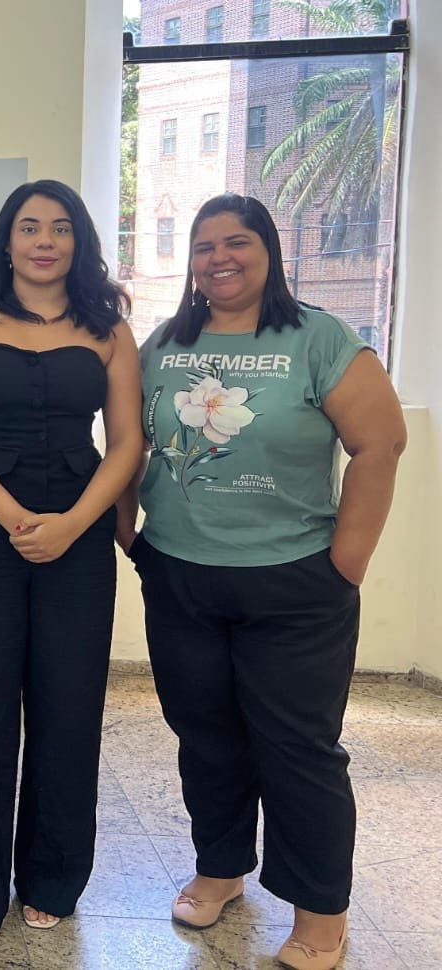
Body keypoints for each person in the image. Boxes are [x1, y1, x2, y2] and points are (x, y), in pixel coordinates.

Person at [119, 194, 405, 970]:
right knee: (206, 737)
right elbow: (127, 440)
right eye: (205, 246)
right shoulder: (166, 343)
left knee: (298, 749)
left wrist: (347, 560)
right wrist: (129, 530)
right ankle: (221, 870)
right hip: (181, 576)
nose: (220, 258)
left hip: (295, 585)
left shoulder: (319, 337)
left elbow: (381, 442)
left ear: (268, 251)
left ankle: (320, 909)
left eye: (237, 242)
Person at [0, 180, 140, 952]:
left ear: (79, 242)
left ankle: (51, 878)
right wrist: (14, 517)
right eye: (29, 227)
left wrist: (75, 523)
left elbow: (128, 443)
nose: (44, 241)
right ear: (7, 241)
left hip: (78, 536)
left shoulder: (109, 329)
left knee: (67, 706)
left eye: (60, 228)